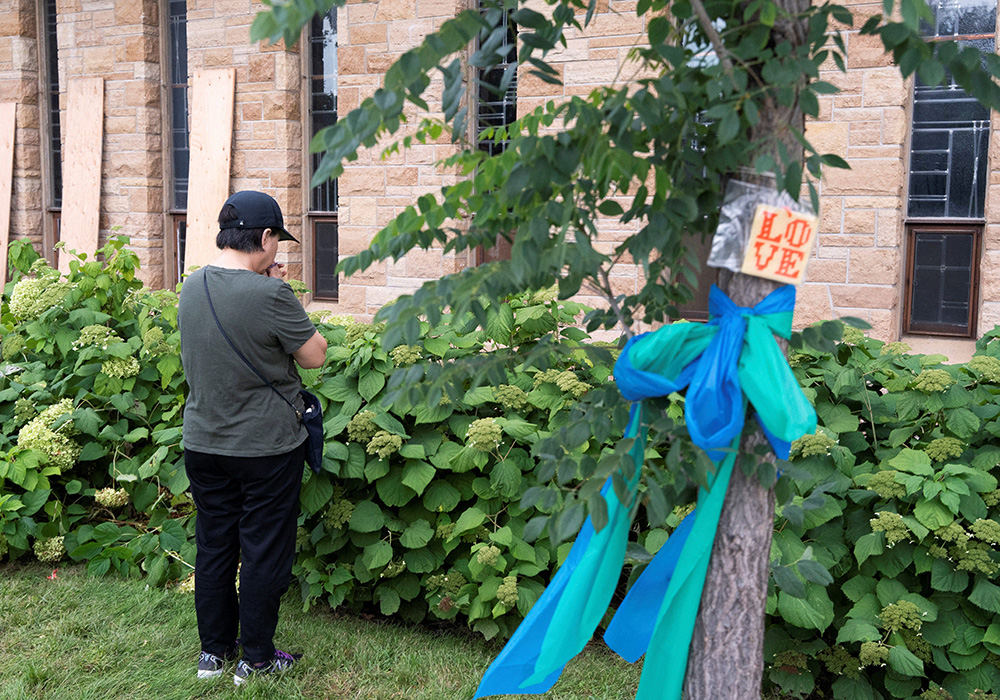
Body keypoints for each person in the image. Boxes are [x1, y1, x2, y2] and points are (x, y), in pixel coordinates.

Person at [177, 190, 328, 686]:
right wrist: (283, 294)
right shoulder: (272, 294)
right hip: (264, 447)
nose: (278, 253)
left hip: (203, 442)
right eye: (277, 242)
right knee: (263, 549)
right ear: (264, 237)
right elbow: (314, 356)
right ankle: (256, 659)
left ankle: (212, 655)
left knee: (215, 545)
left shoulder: (191, 285)